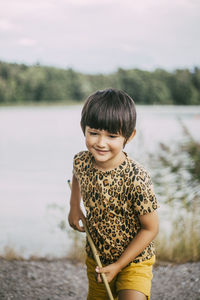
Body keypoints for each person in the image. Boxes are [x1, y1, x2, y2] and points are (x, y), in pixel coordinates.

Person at [68, 88, 159, 300]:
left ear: (129, 135)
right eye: (94, 133)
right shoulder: (82, 161)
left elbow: (151, 228)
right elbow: (76, 174)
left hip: (135, 260)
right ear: (84, 129)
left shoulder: (137, 178)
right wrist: (74, 207)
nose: (101, 142)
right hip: (98, 258)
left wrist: (119, 265)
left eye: (111, 135)